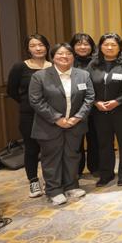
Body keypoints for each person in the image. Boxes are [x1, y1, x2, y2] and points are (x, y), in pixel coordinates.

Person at [29, 43, 94, 205]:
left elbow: (89, 98)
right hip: (49, 125)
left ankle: (71, 185)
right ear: (53, 57)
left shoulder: (83, 75)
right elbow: (36, 101)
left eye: (68, 54)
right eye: (60, 54)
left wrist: (77, 117)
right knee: (52, 158)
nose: (64, 56)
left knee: (72, 156)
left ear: (73, 57)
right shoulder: (40, 76)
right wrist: (57, 118)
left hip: (75, 124)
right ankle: (54, 190)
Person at [87, 33, 122, 186]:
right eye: (106, 44)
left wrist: (118, 101)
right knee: (104, 144)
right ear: (100, 47)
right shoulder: (93, 64)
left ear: (119, 47)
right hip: (100, 111)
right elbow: (87, 85)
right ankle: (106, 174)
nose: (109, 47)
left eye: (113, 45)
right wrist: (96, 102)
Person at [7, 34, 52, 198]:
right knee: (31, 148)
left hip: (51, 113)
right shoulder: (20, 67)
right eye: (33, 45)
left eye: (41, 45)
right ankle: (33, 181)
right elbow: (11, 91)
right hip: (29, 115)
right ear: (28, 49)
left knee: (50, 148)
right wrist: (28, 103)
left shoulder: (54, 66)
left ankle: (50, 180)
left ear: (46, 46)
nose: (38, 48)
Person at [70, 33, 99, 177]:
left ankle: (95, 167)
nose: (82, 47)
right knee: (76, 140)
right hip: (75, 108)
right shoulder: (67, 62)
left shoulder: (98, 62)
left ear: (92, 46)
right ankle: (77, 169)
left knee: (95, 138)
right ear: (73, 46)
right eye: (79, 44)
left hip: (95, 107)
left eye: (86, 44)